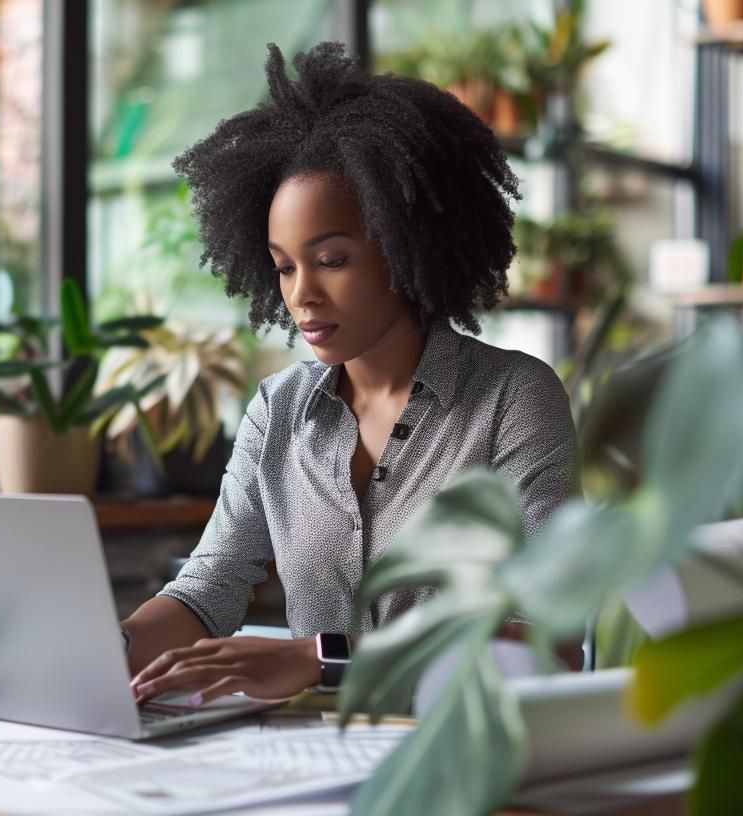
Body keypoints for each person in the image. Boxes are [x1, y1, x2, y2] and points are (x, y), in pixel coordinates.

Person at [122, 41, 578, 707]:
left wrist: (322, 659)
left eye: (331, 259)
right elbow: (210, 587)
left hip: (453, 756)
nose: (300, 294)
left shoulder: (514, 399)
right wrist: (101, 651)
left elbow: (550, 637)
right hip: (307, 757)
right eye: (283, 265)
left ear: (407, 247)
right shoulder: (279, 410)